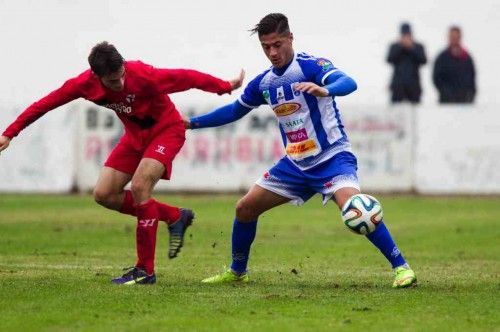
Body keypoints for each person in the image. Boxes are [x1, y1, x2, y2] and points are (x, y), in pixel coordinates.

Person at [187, 13, 416, 288]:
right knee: (245, 208)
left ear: (290, 38)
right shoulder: (264, 83)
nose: (273, 52)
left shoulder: (310, 67)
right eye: (266, 47)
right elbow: (236, 110)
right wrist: (192, 123)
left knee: (357, 210)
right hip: (295, 165)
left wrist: (324, 88)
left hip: (332, 158)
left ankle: (402, 268)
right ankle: (237, 272)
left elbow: (348, 83)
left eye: (278, 44)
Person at [0, 41, 244, 285]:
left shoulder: (142, 74)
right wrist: (10, 133)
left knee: (140, 188)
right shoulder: (83, 84)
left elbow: (185, 77)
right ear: (96, 76)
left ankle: (145, 270)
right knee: (103, 194)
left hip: (167, 130)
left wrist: (223, 86)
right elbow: (45, 103)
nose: (120, 84)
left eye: (121, 77)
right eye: (113, 81)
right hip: (134, 138)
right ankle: (174, 215)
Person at [433, 26, 476, 103]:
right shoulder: (442, 58)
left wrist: (471, 95)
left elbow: (472, 79)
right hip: (446, 102)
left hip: (465, 102)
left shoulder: (466, 58)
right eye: (452, 37)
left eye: (456, 37)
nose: (454, 39)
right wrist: (446, 93)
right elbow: (437, 78)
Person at [386, 22, 427, 103]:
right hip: (398, 86)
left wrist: (411, 48)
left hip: (414, 86)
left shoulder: (418, 46)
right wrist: (401, 47)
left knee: (415, 111)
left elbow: (423, 60)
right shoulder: (395, 46)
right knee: (395, 111)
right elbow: (389, 59)